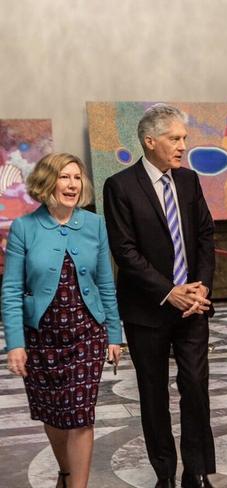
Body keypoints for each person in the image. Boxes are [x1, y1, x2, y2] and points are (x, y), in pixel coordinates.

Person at [103, 104, 216, 488]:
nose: (183, 145)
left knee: (196, 388)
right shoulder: (119, 186)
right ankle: (165, 474)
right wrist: (170, 292)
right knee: (153, 395)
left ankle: (197, 471)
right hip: (147, 311)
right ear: (150, 141)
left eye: (184, 138)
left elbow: (205, 236)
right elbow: (125, 252)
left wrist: (200, 287)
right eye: (175, 138)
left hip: (193, 310)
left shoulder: (189, 181)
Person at [2, 153, 121, 488]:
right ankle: (66, 470)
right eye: (64, 177)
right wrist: (15, 344)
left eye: (77, 178)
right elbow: (11, 289)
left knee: (81, 417)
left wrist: (114, 333)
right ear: (47, 181)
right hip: (41, 337)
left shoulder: (95, 224)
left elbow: (105, 283)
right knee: (52, 414)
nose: (72, 184)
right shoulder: (25, 227)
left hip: (87, 333)